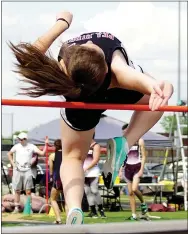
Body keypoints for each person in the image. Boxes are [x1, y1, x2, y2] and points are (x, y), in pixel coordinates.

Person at [9, 10, 174, 224]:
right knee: (158, 102)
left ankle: (74, 208)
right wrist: (161, 86)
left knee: (72, 158)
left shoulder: (62, 69)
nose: (91, 43)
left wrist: (61, 24)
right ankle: (125, 143)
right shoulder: (116, 70)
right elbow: (149, 85)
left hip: (80, 102)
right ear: (105, 70)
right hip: (115, 89)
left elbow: (28, 58)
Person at [7, 132, 48, 213]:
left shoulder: (32, 146)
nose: (20, 140)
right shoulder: (17, 146)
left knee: (28, 191)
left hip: (27, 171)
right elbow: (9, 153)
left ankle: (28, 208)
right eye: (19, 139)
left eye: (21, 139)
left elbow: (42, 153)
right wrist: (13, 163)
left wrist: (46, 144)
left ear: (25, 139)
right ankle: (16, 207)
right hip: (17, 170)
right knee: (17, 190)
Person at [119, 124, 148, 221]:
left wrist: (141, 169)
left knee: (135, 189)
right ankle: (134, 215)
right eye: (124, 132)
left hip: (136, 167)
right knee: (130, 193)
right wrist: (120, 170)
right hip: (127, 169)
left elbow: (143, 156)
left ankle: (143, 203)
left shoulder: (139, 141)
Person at [83, 134, 106, 218]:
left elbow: (96, 159)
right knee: (87, 192)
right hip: (84, 172)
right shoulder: (83, 145)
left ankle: (101, 210)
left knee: (94, 190)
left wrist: (86, 168)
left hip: (92, 172)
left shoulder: (96, 146)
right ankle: (93, 211)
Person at [49, 139, 65, 224]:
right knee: (67, 200)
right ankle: (70, 219)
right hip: (67, 179)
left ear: (55, 146)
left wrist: (51, 178)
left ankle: (58, 218)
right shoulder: (67, 155)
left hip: (58, 179)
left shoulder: (52, 156)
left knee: (53, 199)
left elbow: (51, 170)